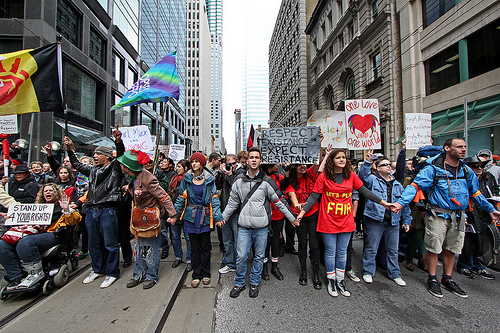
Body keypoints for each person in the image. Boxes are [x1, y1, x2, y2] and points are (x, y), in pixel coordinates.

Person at [393, 138, 500, 298]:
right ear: (447, 148)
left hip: (458, 216)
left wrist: (490, 209)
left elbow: (475, 193)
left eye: (465, 146)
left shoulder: (466, 171)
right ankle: (433, 279)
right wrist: (401, 203)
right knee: (434, 248)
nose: (464, 149)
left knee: (452, 248)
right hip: (438, 215)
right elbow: (415, 186)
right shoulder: (433, 169)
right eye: (459, 147)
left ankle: (447, 279)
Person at [297, 148, 393, 298]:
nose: (342, 159)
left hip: (346, 221)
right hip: (328, 221)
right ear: (332, 161)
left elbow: (365, 192)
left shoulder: (352, 176)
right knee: (330, 252)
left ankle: (340, 281)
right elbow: (314, 197)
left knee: (342, 253)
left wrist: (384, 203)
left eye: (343, 157)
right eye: (338, 157)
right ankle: (331, 281)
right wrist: (302, 213)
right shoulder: (323, 177)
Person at [223, 147, 296, 298]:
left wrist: (292, 218)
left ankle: (254, 283)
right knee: (241, 256)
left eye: (257, 157)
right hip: (243, 227)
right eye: (251, 157)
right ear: (247, 161)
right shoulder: (238, 181)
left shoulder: (267, 181)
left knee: (259, 256)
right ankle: (239, 283)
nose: (254, 159)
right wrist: (222, 218)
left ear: (260, 161)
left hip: (262, 228)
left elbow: (279, 201)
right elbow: (232, 203)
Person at [64, 127, 125, 289]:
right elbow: (76, 164)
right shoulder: (91, 170)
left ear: (106, 156)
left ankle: (112, 272)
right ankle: (98, 269)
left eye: (98, 154)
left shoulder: (114, 168)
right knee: (93, 243)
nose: (95, 156)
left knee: (110, 243)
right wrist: (70, 149)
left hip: (107, 210)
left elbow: (120, 156)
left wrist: (118, 141)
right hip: (91, 210)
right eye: (94, 154)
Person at [0, 183, 81, 289]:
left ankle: (35, 274)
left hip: (53, 234)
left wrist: (66, 210)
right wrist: (11, 217)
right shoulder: (36, 208)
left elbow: (75, 219)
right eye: (45, 191)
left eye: (50, 190)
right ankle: (16, 276)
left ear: (56, 193)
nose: (48, 192)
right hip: (34, 233)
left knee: (25, 243)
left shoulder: (62, 206)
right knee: (2, 244)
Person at [117, 150, 177, 289]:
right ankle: (138, 275)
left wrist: (172, 215)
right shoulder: (132, 177)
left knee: (152, 249)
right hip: (138, 218)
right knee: (138, 248)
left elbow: (164, 197)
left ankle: (151, 276)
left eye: (122, 165)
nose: (120, 166)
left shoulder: (148, 178)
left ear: (127, 168)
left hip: (151, 218)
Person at [358, 151, 411, 287]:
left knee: (393, 249)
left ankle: (394, 273)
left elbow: (404, 204)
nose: (388, 166)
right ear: (378, 168)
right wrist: (368, 161)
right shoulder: (372, 179)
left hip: (393, 221)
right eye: (384, 164)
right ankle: (368, 271)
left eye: (389, 164)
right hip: (375, 219)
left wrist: (406, 220)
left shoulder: (398, 184)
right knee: (371, 247)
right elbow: (362, 177)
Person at [171, 153, 223, 288]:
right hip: (190, 217)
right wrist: (174, 215)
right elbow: (181, 198)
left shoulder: (210, 179)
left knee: (205, 247)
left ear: (202, 163)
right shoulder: (187, 179)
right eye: (192, 161)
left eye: (196, 161)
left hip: (205, 216)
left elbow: (215, 200)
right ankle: (196, 274)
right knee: (194, 247)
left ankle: (206, 273)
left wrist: (217, 217)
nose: (194, 164)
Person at [456, 156, 496, 280]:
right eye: (475, 166)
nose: (479, 169)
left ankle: (479, 265)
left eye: (481, 166)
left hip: (484, 213)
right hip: (470, 212)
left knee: (483, 238)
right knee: (468, 240)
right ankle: (465, 264)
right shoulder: (463, 178)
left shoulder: (488, 178)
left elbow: (493, 192)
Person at [286, 163, 322, 289]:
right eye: (299, 165)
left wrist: (318, 144)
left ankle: (316, 273)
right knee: (302, 243)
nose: (303, 166)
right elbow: (291, 195)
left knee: (314, 244)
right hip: (299, 217)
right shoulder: (291, 181)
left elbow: (317, 162)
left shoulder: (311, 174)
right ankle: (304, 272)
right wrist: (297, 206)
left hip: (313, 215)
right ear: (294, 168)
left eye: (304, 164)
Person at [217, 154, 245, 274]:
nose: (231, 166)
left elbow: (238, 188)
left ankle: (239, 266)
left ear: (236, 163)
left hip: (237, 212)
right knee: (227, 240)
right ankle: (229, 263)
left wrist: (229, 175)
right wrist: (220, 173)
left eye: (233, 163)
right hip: (225, 211)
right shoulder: (224, 172)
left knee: (238, 241)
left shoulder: (241, 173)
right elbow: (217, 185)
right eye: (228, 164)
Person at [261, 163, 287, 281]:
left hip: (278, 214)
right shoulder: (261, 176)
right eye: (275, 164)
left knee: (275, 241)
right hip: (264, 214)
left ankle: (275, 266)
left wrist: (287, 171)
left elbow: (284, 185)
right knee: (265, 242)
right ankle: (264, 266)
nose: (278, 165)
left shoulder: (279, 176)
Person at [169, 159, 192, 271]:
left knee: (188, 237)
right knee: (175, 236)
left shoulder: (189, 180)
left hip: (186, 212)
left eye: (179, 166)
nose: (176, 168)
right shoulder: (173, 179)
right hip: (173, 212)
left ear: (185, 168)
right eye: (176, 166)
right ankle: (178, 256)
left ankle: (189, 259)